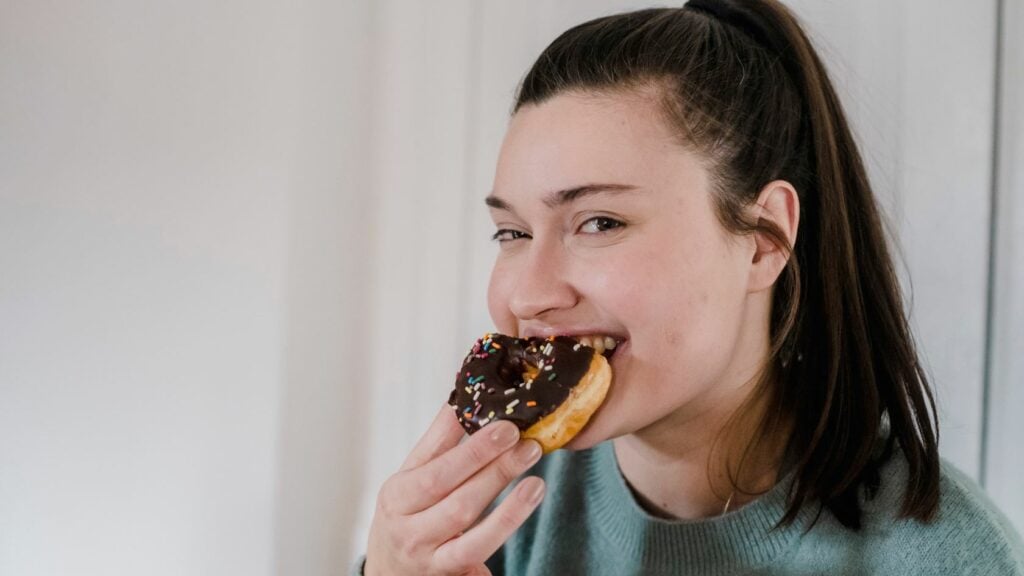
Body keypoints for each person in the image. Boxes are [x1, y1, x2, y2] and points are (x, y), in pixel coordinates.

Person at [355, 0, 1024, 574]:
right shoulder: (483, 515)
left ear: (764, 238)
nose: (527, 295)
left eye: (598, 222)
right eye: (512, 233)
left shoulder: (942, 556)